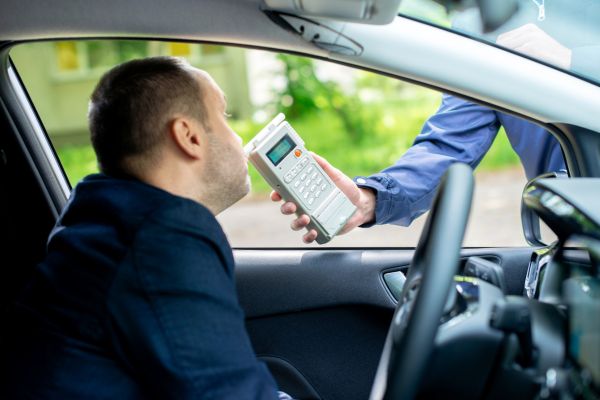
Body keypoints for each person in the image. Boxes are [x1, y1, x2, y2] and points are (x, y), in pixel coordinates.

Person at [1, 57, 287, 399]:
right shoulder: (161, 239)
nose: (237, 137)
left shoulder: (104, 223)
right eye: (223, 117)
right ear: (188, 136)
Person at [272, 7, 584, 243]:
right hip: (578, 239)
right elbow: (449, 145)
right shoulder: (483, 22)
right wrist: (369, 200)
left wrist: (576, 63)